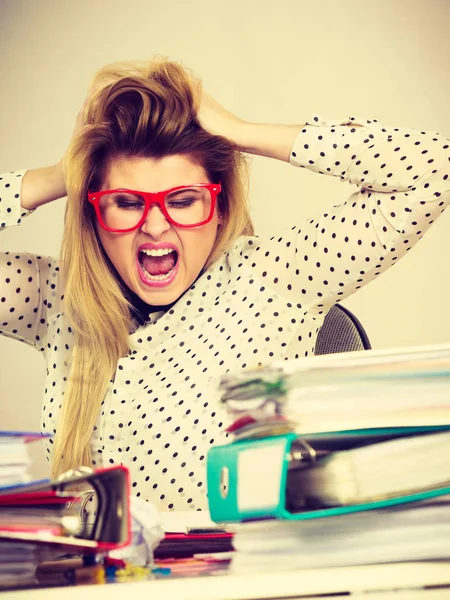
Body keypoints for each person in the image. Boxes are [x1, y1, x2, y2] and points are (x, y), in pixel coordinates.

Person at [1, 59, 449, 512]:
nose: (155, 226)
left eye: (182, 200)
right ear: (94, 212)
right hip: (99, 583)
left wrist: (241, 131)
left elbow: (432, 170)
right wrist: (62, 175)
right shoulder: (56, 299)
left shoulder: (276, 278)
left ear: (218, 206)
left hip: (237, 579)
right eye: (127, 202)